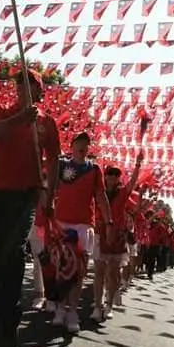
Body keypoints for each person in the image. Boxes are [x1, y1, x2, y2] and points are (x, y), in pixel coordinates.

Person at [0, 69, 60, 347]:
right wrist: (21, 119)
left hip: (26, 198)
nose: (22, 90)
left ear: (39, 91)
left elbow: (54, 159)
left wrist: (51, 193)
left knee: (13, 256)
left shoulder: (47, 123)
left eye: (28, 86)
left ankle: (8, 328)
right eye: (19, 86)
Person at [50, 131, 110, 332]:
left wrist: (108, 222)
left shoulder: (94, 170)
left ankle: (73, 311)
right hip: (61, 222)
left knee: (78, 270)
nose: (83, 147)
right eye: (79, 143)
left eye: (86, 144)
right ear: (72, 145)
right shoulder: (61, 166)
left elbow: (101, 197)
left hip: (83, 224)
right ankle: (59, 308)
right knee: (60, 267)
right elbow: (49, 187)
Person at [92, 152, 142, 322]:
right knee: (98, 272)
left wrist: (137, 165)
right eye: (110, 174)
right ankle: (97, 306)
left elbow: (133, 182)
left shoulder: (123, 193)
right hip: (100, 232)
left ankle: (109, 305)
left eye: (116, 174)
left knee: (113, 273)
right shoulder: (98, 192)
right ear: (104, 176)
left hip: (117, 236)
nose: (113, 177)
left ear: (119, 178)